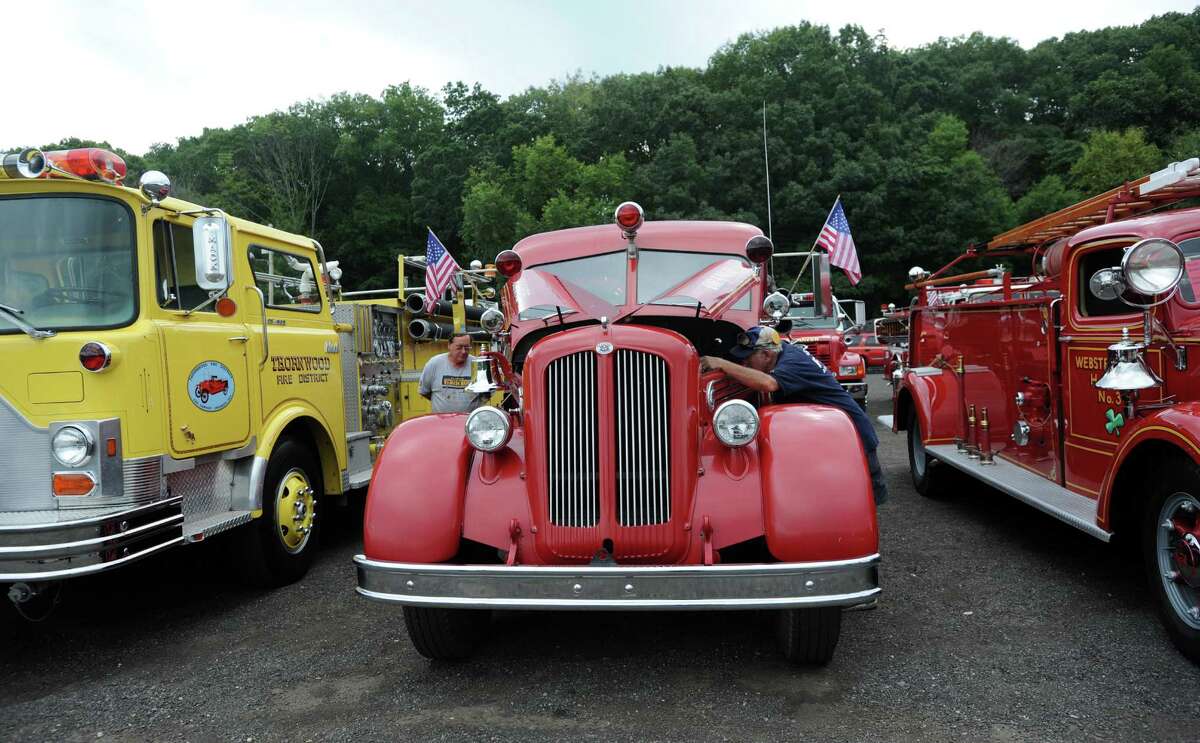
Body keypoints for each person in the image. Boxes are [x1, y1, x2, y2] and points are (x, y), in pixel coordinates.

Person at [700, 325, 889, 505]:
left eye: (748, 358)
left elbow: (768, 384)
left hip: (853, 437)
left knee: (863, 499)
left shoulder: (793, 362)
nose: (744, 363)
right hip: (838, 434)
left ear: (766, 355)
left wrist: (722, 364)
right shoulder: (785, 352)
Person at [418, 332, 483, 413]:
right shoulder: (434, 363)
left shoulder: (478, 365)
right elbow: (424, 391)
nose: (463, 351)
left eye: (467, 347)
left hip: (469, 419)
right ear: (449, 345)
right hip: (441, 419)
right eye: (459, 347)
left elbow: (486, 394)